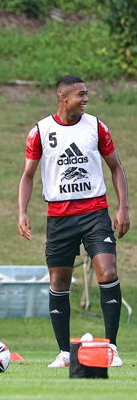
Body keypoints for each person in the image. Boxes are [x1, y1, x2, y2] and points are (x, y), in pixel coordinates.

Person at [18, 75, 129, 368]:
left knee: (107, 272)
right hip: (59, 217)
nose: (86, 99)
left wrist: (123, 208)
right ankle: (65, 354)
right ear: (63, 98)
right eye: (81, 94)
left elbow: (116, 168)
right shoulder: (40, 131)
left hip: (95, 212)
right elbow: (27, 176)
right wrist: (22, 212)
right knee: (59, 281)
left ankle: (112, 348)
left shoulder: (96, 126)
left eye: (87, 94)